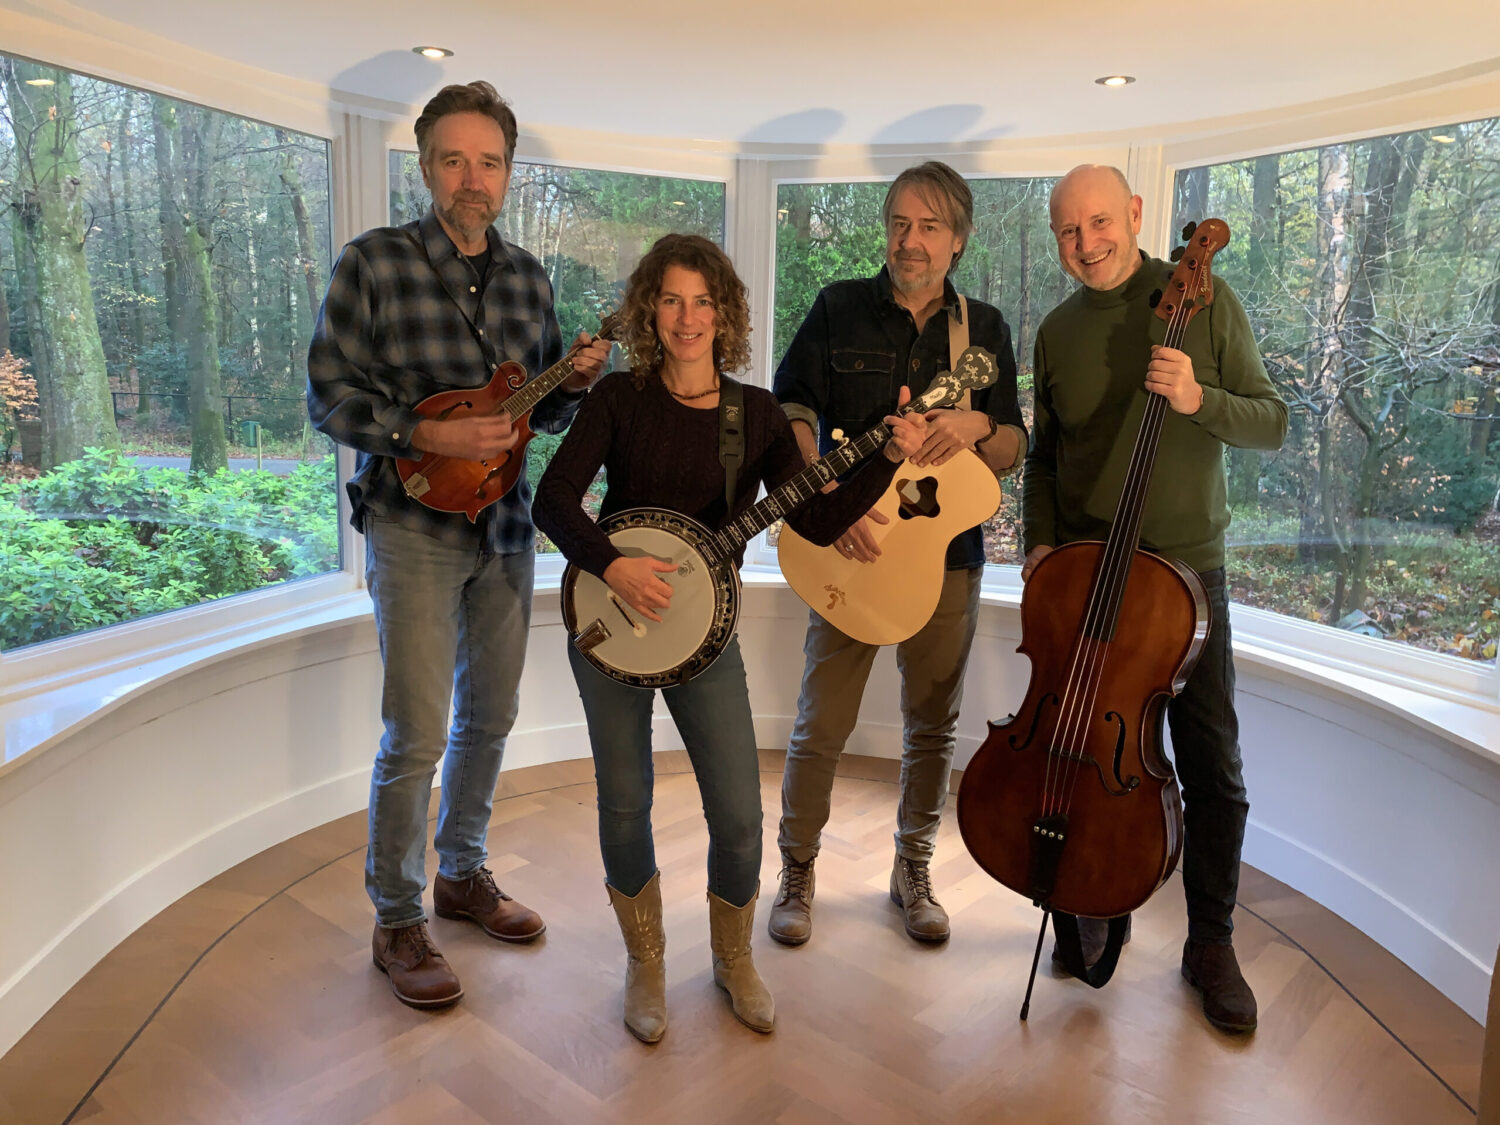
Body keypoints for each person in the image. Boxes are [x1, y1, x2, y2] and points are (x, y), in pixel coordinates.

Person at [533, 233, 926, 1043]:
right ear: (651, 309)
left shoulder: (754, 414)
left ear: (725, 313)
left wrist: (886, 456)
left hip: (705, 636)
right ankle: (645, 962)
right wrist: (613, 565)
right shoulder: (617, 398)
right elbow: (555, 501)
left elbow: (815, 514)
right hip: (613, 629)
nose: (687, 317)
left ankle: (732, 958)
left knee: (740, 816)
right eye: (671, 300)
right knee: (624, 801)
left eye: (702, 301)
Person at [307, 81, 611, 1010]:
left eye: (488, 161)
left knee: (492, 716)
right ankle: (396, 917)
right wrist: (425, 436)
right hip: (412, 529)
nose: (471, 177)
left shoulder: (528, 279)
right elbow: (329, 396)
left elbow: (542, 411)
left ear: (508, 172)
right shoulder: (374, 264)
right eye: (452, 159)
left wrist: (576, 381)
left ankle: (461, 873)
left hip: (509, 528)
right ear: (427, 164)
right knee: (417, 731)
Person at [1023, 163, 1288, 1033]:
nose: (1087, 243)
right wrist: (1039, 542)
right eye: (1068, 230)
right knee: (1079, 748)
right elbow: (1045, 458)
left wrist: (1199, 396)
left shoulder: (1203, 300)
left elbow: (1272, 420)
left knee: (1212, 763)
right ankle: (1095, 894)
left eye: (1100, 222)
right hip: (1092, 573)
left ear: (1136, 214)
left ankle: (1209, 939)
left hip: (1188, 573)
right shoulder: (1057, 330)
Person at [769, 161, 1027, 946]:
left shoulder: (983, 330)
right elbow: (792, 408)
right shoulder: (838, 307)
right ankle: (797, 870)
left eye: (929, 226)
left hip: (947, 560)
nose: (910, 241)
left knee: (932, 726)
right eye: (899, 224)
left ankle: (912, 868)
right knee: (820, 723)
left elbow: (1015, 438)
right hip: (852, 547)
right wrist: (821, 498)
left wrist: (976, 428)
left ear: (959, 239)